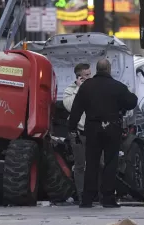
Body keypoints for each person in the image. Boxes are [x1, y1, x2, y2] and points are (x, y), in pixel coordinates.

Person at [69, 59, 138, 208]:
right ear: (109, 69)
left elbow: (76, 109)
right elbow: (132, 101)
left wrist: (72, 128)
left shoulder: (86, 86)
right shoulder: (117, 86)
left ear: (97, 69)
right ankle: (107, 198)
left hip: (92, 129)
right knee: (110, 163)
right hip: (112, 129)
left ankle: (87, 199)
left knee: (91, 163)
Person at [63, 63, 91, 203]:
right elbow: (69, 106)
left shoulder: (94, 88)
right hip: (78, 133)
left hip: (93, 132)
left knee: (99, 163)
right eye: (86, 75)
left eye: (90, 74)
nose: (89, 77)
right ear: (79, 77)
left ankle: (96, 193)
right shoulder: (70, 90)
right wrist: (79, 89)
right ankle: (81, 195)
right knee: (80, 165)